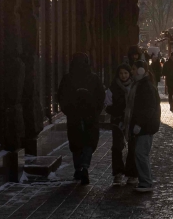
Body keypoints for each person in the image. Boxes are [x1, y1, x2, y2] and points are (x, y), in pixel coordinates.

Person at [57, 53, 106, 185]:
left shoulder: (68, 78)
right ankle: (85, 166)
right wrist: (96, 111)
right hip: (90, 115)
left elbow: (61, 96)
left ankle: (78, 168)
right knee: (89, 141)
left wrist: (68, 110)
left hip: (74, 115)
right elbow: (101, 96)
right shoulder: (93, 78)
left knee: (75, 141)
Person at [124, 60, 161, 192]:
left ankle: (146, 182)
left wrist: (139, 124)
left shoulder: (145, 86)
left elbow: (148, 109)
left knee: (141, 153)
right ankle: (145, 181)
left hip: (146, 127)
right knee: (140, 153)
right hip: (143, 125)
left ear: (141, 70)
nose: (132, 72)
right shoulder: (139, 84)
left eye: (134, 69)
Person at [108, 63, 132, 184]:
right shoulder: (113, 87)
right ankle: (118, 172)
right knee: (117, 147)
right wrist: (117, 111)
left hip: (131, 121)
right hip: (117, 121)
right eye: (121, 73)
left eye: (126, 73)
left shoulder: (134, 86)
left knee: (132, 147)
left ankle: (131, 173)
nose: (123, 75)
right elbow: (108, 105)